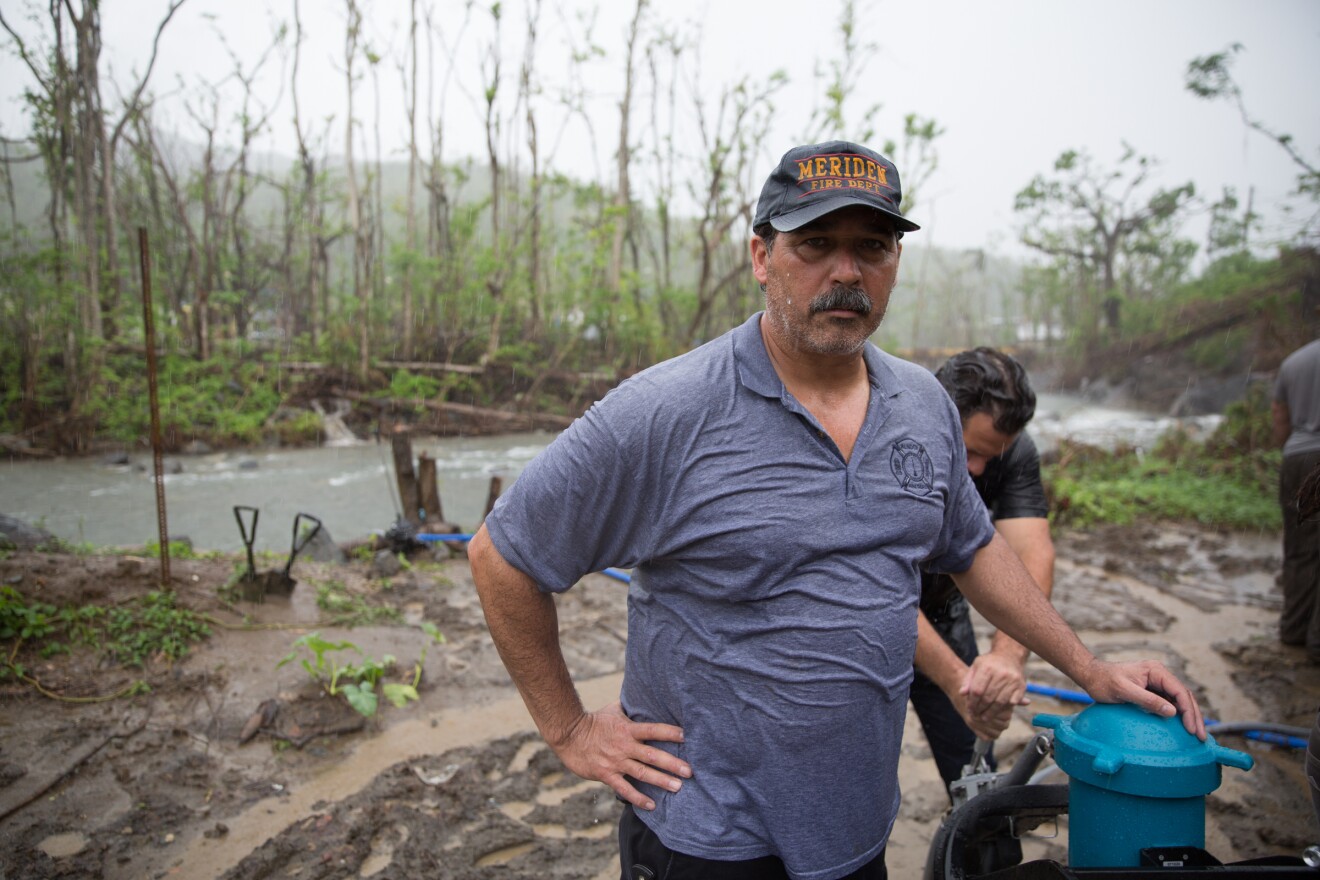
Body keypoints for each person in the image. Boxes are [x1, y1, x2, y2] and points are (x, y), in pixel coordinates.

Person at [468, 139, 1205, 880]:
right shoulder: (666, 412)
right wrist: (570, 729)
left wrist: (1087, 668)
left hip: (853, 828)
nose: (847, 272)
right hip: (707, 834)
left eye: (872, 247)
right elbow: (503, 556)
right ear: (762, 256)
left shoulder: (923, 406)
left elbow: (974, 548)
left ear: (896, 262)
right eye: (816, 243)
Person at [910, 347, 1055, 792]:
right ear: (937, 414)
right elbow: (875, 588)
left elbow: (1033, 555)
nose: (977, 469)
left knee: (979, 783)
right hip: (860, 623)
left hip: (943, 613)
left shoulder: (1012, 452)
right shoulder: (891, 436)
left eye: (993, 456)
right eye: (971, 451)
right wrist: (955, 679)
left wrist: (1008, 655)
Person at [1273, 338, 1320, 663]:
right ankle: (1318, 642)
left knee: (1299, 547)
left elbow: (1280, 417)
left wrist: (1290, 452)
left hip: (1296, 457)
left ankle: (1293, 628)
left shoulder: (1295, 361)